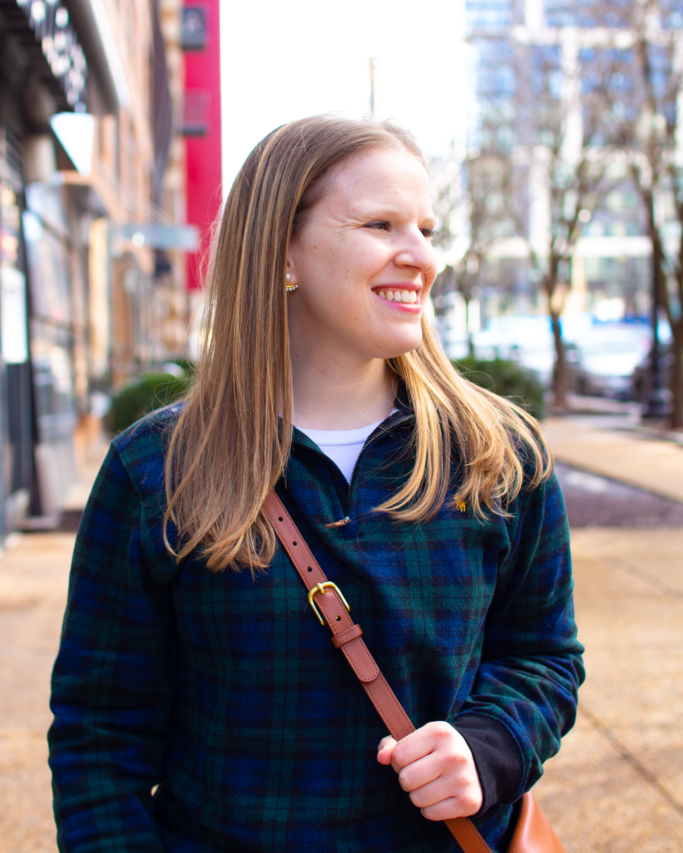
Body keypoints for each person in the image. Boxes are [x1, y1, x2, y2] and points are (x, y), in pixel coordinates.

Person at [49, 115, 584, 853]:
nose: (420, 257)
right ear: (282, 250)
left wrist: (488, 746)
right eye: (380, 224)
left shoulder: (500, 456)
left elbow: (542, 657)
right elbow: (99, 733)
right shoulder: (156, 469)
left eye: (426, 229)